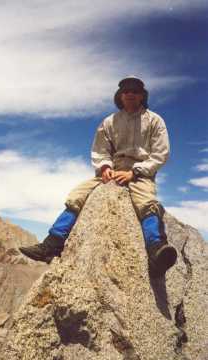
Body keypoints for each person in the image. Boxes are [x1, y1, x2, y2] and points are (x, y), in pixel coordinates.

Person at [19, 76, 177, 277]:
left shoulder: (155, 121)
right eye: (126, 90)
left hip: (140, 173)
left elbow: (160, 154)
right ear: (120, 95)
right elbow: (101, 150)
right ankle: (52, 244)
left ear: (141, 96)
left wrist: (134, 172)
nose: (130, 94)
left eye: (135, 91)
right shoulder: (110, 122)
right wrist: (104, 167)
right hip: (113, 170)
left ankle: (156, 248)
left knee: (146, 201)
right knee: (79, 194)